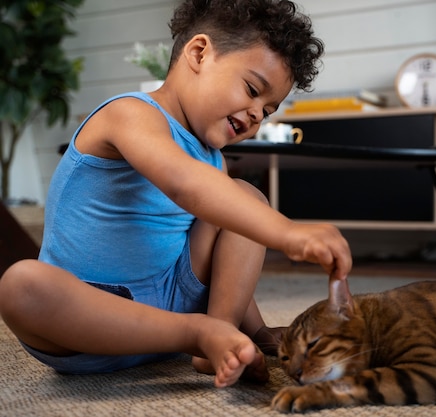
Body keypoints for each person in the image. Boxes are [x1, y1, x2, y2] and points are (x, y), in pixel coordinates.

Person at [0, 0, 351, 388]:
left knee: (245, 197)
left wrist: (257, 330)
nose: (255, 114)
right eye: (252, 90)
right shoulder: (130, 114)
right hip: (85, 322)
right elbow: (186, 185)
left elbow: (225, 259)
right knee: (21, 285)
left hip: (170, 297)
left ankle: (220, 337)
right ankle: (198, 333)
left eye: (267, 111)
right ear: (199, 53)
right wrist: (287, 232)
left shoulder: (213, 159)